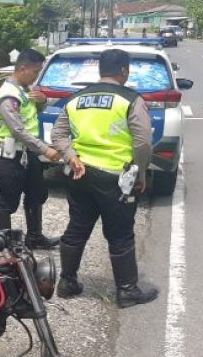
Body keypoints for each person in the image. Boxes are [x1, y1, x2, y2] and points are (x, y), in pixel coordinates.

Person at [51, 48, 158, 308]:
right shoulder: (131, 99)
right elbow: (143, 142)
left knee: (77, 227)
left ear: (100, 70)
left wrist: (70, 156)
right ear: (124, 70)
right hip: (116, 178)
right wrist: (141, 172)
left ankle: (67, 282)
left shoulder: (76, 99)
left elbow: (58, 135)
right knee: (120, 233)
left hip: (80, 173)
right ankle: (127, 290)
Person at [0, 49, 61, 249]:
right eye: (35, 71)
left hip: (28, 153)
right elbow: (18, 129)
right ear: (22, 68)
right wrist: (45, 149)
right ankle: (3, 241)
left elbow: (30, 116)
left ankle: (35, 237)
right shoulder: (7, 95)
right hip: (11, 155)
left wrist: (42, 101)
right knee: (8, 198)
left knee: (36, 193)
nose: (36, 76)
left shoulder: (24, 91)